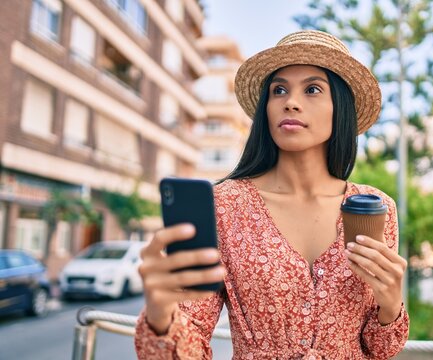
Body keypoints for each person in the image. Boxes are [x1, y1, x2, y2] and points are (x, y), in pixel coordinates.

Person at [135, 30, 409, 359]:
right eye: (279, 89)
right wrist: (160, 315)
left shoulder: (377, 208)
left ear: (341, 108)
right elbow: (190, 336)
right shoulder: (223, 207)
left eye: (312, 89)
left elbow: (381, 350)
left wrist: (391, 303)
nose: (290, 102)